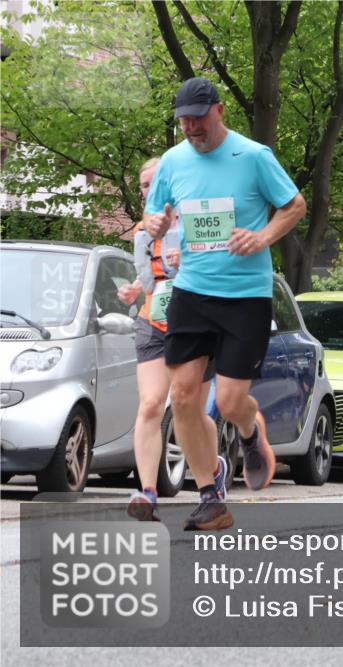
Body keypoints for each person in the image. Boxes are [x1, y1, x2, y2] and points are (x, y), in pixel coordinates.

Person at [144, 77, 306, 530]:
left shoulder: (253, 156)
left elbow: (294, 205)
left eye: (198, 118)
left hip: (245, 296)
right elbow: (153, 217)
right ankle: (211, 495)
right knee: (183, 396)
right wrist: (153, 223)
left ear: (218, 111)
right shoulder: (173, 163)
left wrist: (262, 237)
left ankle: (252, 434)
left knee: (232, 401)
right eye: (184, 121)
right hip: (192, 291)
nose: (191, 128)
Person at [116, 156, 182, 521]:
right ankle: (148, 493)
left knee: (187, 409)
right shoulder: (141, 232)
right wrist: (134, 290)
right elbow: (150, 280)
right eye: (143, 185)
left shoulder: (193, 221)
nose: (148, 190)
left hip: (192, 324)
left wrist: (187, 260)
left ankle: (212, 471)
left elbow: (220, 265)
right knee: (151, 405)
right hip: (152, 323)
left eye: (155, 182)